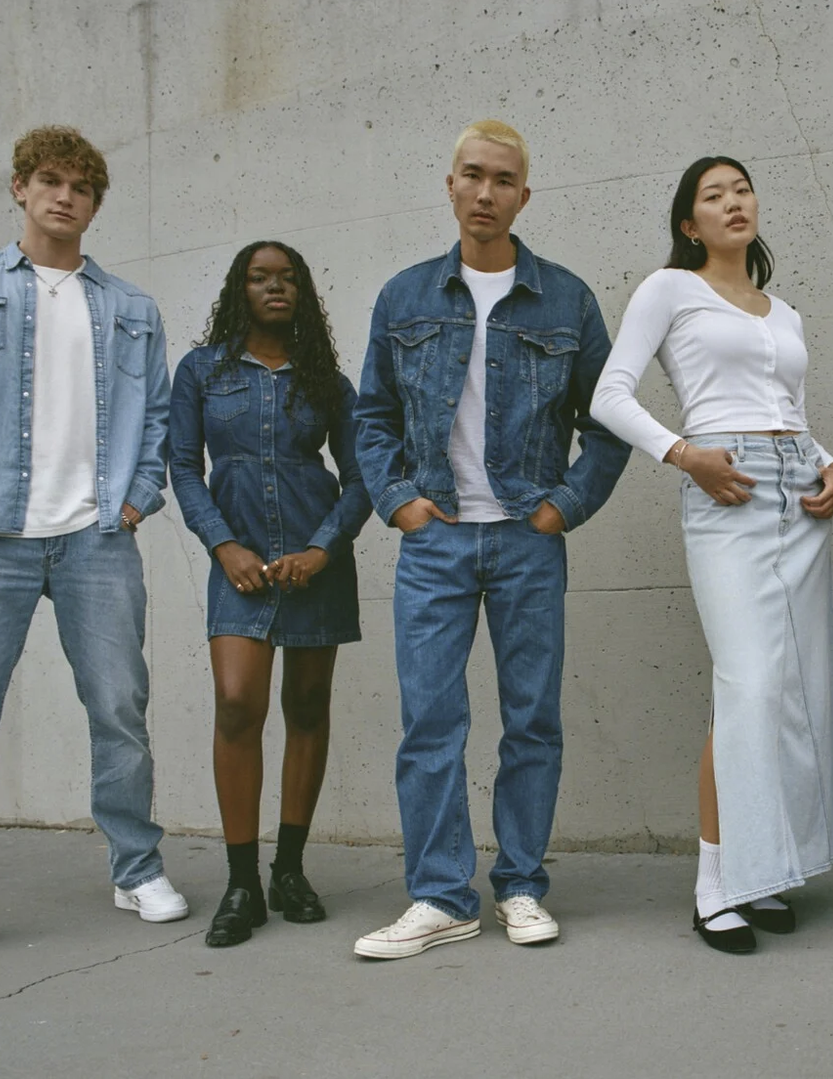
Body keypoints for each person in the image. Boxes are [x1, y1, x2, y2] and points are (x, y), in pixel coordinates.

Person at [0, 125, 186, 972]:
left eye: (82, 187)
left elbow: (158, 417)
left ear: (96, 203)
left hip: (95, 540)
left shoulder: (130, 308)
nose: (66, 197)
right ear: (19, 188)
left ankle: (137, 869)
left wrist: (135, 500)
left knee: (121, 712)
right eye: (50, 181)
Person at [348, 119, 631, 959]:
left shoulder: (567, 298)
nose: (485, 192)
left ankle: (519, 884)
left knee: (531, 720)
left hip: (524, 539)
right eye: (472, 175)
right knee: (430, 721)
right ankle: (441, 894)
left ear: (524, 195)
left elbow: (608, 423)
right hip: (433, 538)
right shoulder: (404, 296)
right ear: (450, 184)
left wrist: (563, 507)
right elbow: (370, 417)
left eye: (503, 179)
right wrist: (398, 499)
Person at [589, 155, 833, 956]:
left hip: (798, 490)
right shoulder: (669, 290)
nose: (733, 202)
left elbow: (792, 414)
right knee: (746, 683)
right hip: (725, 486)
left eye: (742, 190)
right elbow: (610, 395)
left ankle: (762, 871)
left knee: (792, 688)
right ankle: (716, 884)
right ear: (689, 222)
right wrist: (684, 454)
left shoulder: (786, 312)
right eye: (714, 195)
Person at [167, 240, 370, 947]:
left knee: (308, 706)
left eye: (287, 278)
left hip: (313, 561)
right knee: (236, 704)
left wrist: (322, 549)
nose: (274, 287)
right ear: (239, 289)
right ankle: (241, 882)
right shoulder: (201, 372)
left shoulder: (329, 382)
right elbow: (184, 470)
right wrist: (224, 546)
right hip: (239, 563)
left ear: (303, 292)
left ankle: (289, 868)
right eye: (260, 277)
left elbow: (361, 476)